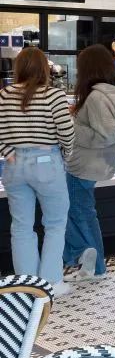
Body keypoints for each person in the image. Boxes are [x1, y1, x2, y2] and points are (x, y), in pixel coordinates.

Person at [0, 47, 74, 296]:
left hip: (13, 165)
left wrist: (7, 150)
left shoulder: (4, 94)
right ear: (44, 68)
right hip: (46, 161)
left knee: (21, 226)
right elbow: (67, 132)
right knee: (55, 223)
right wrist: (64, 154)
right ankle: (51, 282)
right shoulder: (53, 95)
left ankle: (26, 286)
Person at [62, 45, 115, 284]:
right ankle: (91, 263)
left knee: (76, 212)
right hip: (97, 163)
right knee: (80, 212)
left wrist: (72, 125)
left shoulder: (96, 96)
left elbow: (106, 134)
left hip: (83, 164)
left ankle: (89, 261)